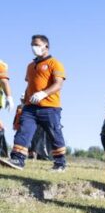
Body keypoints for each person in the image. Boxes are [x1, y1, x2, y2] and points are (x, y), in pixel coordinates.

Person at [6, 35, 67, 171]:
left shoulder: (55, 63)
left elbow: (58, 84)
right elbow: (30, 84)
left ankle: (60, 163)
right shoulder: (30, 66)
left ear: (46, 46)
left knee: (54, 134)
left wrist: (43, 93)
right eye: (32, 45)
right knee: (23, 131)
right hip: (30, 107)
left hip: (50, 107)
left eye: (37, 45)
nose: (34, 47)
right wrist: (26, 96)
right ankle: (17, 159)